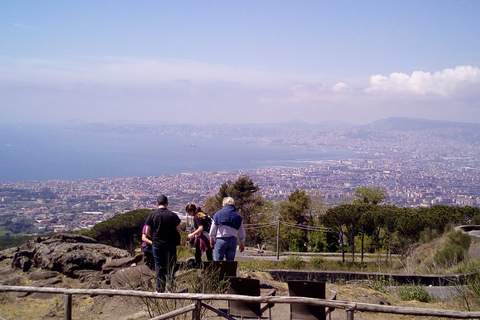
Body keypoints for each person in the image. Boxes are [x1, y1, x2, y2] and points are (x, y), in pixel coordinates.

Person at [144, 195, 181, 292]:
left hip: (157, 245)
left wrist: (154, 238)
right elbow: (179, 230)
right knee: (170, 266)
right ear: (167, 204)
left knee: (159, 266)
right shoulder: (173, 215)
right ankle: (170, 289)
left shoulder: (152, 215)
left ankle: (160, 289)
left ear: (157, 204)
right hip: (170, 244)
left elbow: (147, 231)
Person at [210, 197, 246, 261]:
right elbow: (241, 231)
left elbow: (213, 228)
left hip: (220, 239)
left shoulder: (218, 214)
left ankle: (219, 271)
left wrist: (211, 239)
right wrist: (242, 243)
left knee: (218, 262)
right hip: (233, 239)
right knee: (230, 263)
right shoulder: (238, 216)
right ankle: (228, 271)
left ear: (223, 204)